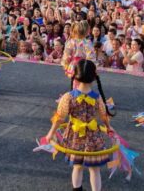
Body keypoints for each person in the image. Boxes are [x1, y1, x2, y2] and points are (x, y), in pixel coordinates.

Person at [45, 60, 112, 191]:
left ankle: (77, 189)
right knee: (94, 169)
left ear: (75, 75)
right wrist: (109, 127)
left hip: (75, 136)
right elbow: (104, 116)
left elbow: (59, 118)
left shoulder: (68, 97)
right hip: (93, 136)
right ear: (94, 76)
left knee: (77, 166)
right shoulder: (97, 97)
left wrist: (51, 133)